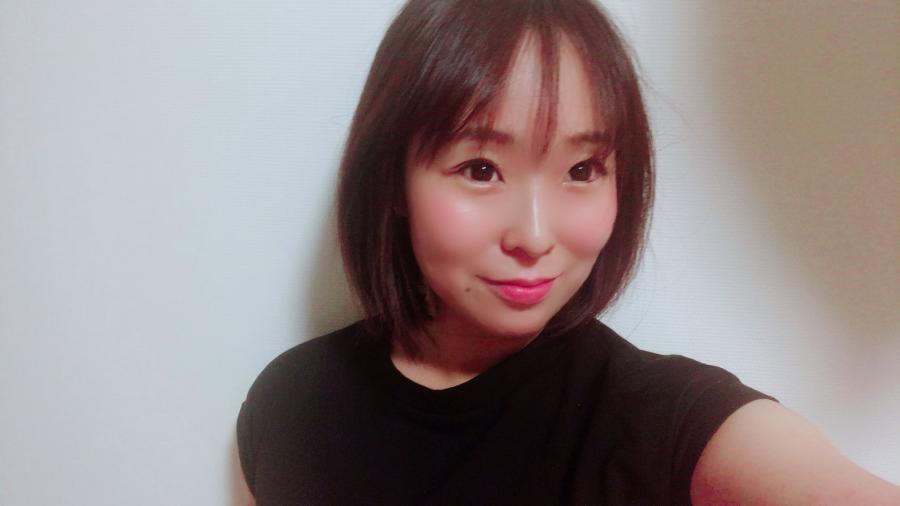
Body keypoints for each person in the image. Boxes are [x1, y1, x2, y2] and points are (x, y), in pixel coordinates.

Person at [236, 1, 900, 504]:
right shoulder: (289, 407)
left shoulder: (662, 419)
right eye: (480, 169)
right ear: (393, 182)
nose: (533, 235)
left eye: (582, 170)